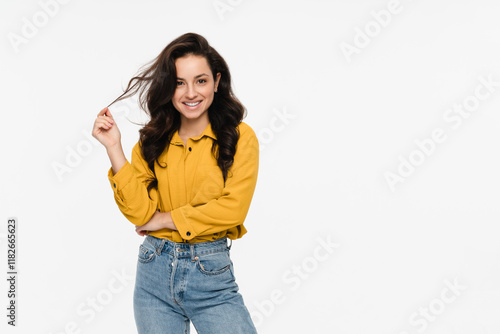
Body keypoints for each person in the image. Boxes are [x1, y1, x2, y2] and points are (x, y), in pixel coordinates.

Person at [91, 32, 259, 333]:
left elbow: (232, 210)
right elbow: (140, 214)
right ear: (169, 87)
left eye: (201, 80)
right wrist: (114, 148)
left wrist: (165, 219)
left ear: (217, 82)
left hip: (211, 274)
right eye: (179, 82)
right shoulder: (151, 141)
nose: (190, 93)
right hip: (153, 273)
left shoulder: (239, 137)